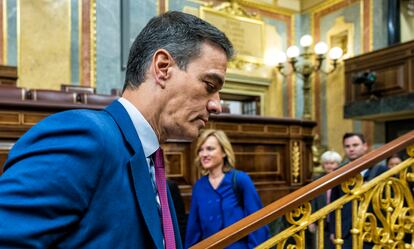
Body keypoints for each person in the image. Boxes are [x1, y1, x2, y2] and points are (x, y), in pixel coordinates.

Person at [0, 11, 233, 248]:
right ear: (163, 68)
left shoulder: (150, 160)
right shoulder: (84, 137)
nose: (216, 105)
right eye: (209, 85)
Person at [185, 129, 269, 249]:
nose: (204, 154)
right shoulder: (199, 186)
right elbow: (193, 229)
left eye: (210, 149)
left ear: (224, 152)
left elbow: (257, 222)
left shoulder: (240, 180)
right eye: (201, 150)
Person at [330, 132, 387, 249]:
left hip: (372, 230)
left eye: (355, 145)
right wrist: (333, 230)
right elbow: (333, 204)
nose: (351, 149)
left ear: (365, 146)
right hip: (345, 232)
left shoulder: (381, 171)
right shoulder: (339, 172)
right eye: (347, 146)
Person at [308, 150, 342, 249]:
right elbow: (313, 200)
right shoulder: (317, 180)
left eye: (332, 163)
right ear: (322, 165)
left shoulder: (343, 179)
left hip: (338, 219)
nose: (329, 166)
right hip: (322, 219)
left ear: (338, 164)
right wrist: (312, 220)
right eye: (326, 163)